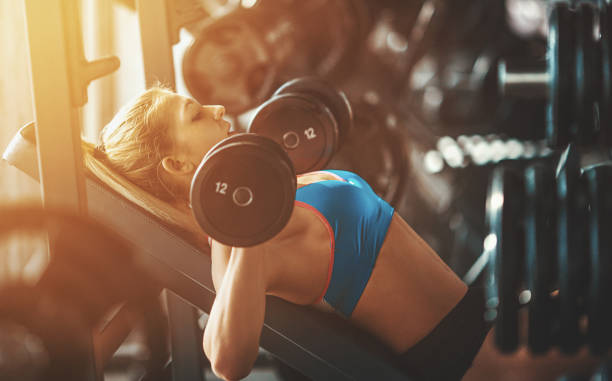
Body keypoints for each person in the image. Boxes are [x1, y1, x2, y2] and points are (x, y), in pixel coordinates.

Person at [83, 86, 489, 381]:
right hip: (473, 361)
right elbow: (225, 359)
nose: (218, 106)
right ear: (176, 163)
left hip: (484, 322)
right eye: (195, 114)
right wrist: (245, 229)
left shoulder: (268, 188)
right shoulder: (236, 235)